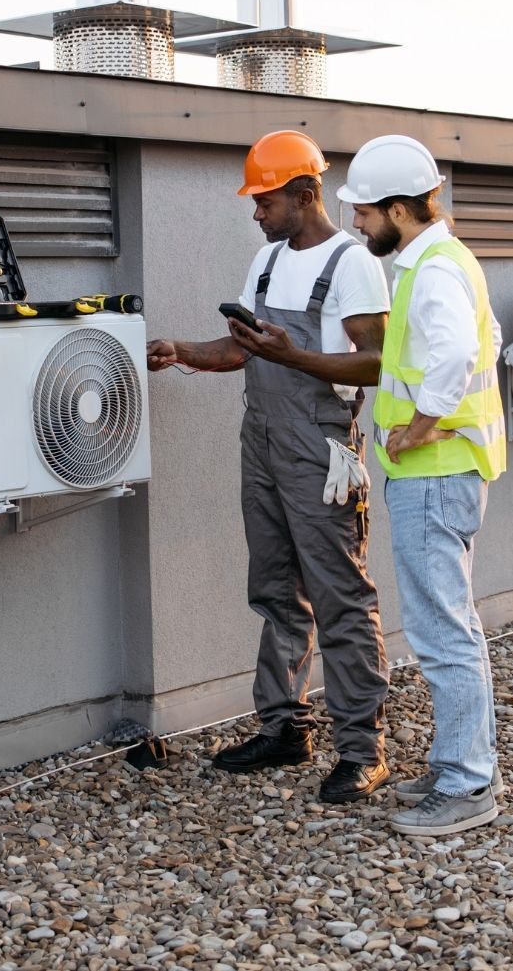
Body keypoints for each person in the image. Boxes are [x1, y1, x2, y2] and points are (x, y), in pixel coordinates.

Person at [145, 130, 394, 804]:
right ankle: (285, 725)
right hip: (261, 436)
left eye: (264, 200)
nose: (256, 213)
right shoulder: (267, 261)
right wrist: (183, 351)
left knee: (339, 591)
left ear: (305, 194)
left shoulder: (352, 264)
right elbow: (243, 348)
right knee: (277, 586)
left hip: (319, 441)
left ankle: (362, 748)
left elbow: (379, 363)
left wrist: (293, 357)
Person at [336, 134, 508, 837]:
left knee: (442, 631)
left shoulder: (431, 269)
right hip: (446, 473)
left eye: (365, 213)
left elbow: (463, 353)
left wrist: (419, 426)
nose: (357, 224)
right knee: (452, 623)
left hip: (434, 477)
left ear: (399, 209)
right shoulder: (443, 259)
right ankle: (458, 763)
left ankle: (468, 784)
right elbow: (490, 338)